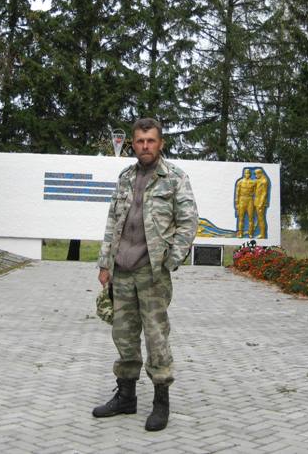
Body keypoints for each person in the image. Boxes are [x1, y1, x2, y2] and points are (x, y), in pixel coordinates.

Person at [92, 118, 198, 432]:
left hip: (152, 273)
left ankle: (161, 402)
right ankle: (126, 397)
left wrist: (171, 261)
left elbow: (188, 222)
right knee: (123, 336)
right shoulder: (125, 177)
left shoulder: (174, 177)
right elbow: (113, 221)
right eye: (140, 141)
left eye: (151, 140)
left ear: (160, 143)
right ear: (133, 144)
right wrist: (105, 264)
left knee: (156, 337)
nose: (145, 146)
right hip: (122, 271)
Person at [235, 168, 256, 238]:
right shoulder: (240, 182)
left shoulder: (253, 182)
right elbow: (237, 193)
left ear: (250, 174)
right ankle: (240, 233)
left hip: (250, 200)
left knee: (251, 218)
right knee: (241, 218)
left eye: (248, 173)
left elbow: (255, 193)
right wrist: (237, 203)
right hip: (242, 200)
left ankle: (251, 233)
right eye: (246, 173)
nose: (247, 174)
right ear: (244, 174)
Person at [254, 168, 269, 238]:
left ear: (260, 173)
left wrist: (261, 203)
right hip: (257, 201)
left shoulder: (264, 181)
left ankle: (263, 234)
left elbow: (264, 193)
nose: (255, 176)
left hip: (260, 202)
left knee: (261, 219)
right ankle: (261, 233)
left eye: (256, 174)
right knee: (259, 218)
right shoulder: (259, 180)